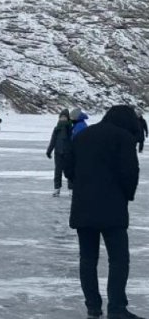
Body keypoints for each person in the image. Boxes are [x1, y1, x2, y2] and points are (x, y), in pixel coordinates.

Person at [63, 105, 142, 319]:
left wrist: (82, 184)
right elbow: (130, 172)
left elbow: (68, 167)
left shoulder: (83, 135)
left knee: (88, 259)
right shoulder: (123, 138)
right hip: (112, 209)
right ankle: (116, 308)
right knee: (118, 259)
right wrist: (126, 195)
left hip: (83, 208)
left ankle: (93, 307)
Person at [46, 109, 73, 197]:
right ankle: (57, 188)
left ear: (68, 118)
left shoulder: (70, 127)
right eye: (61, 117)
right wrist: (49, 151)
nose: (63, 119)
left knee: (68, 171)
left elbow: (73, 140)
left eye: (64, 117)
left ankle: (71, 189)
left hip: (68, 153)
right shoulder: (56, 128)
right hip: (58, 153)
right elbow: (53, 140)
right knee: (58, 171)